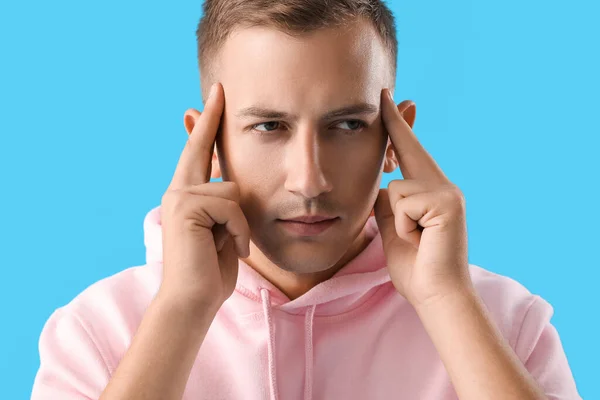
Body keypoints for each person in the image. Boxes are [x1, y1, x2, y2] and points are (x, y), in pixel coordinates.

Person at [31, 1, 581, 399]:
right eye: (269, 126)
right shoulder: (97, 332)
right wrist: (180, 312)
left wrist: (447, 303)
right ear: (209, 144)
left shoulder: (506, 325)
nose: (309, 181)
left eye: (346, 124)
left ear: (395, 138)